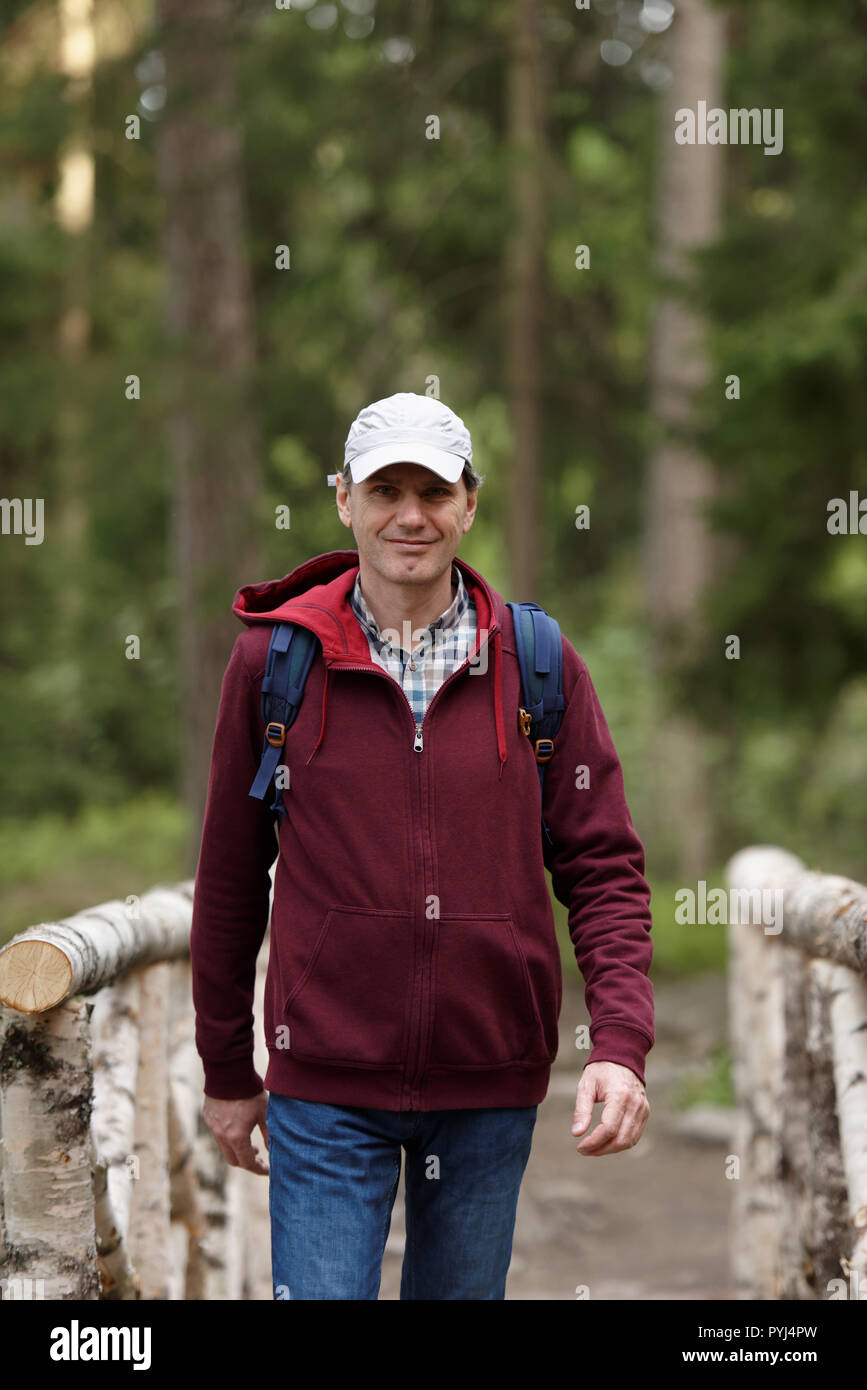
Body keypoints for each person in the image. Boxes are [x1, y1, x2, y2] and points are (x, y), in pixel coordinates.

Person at [190, 391, 653, 1300]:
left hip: (489, 1082)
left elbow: (602, 868)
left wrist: (619, 1043)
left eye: (433, 491)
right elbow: (231, 877)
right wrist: (226, 1066)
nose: (410, 514)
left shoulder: (540, 663)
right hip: (323, 1086)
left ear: (468, 505)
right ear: (344, 502)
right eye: (385, 490)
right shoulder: (273, 665)